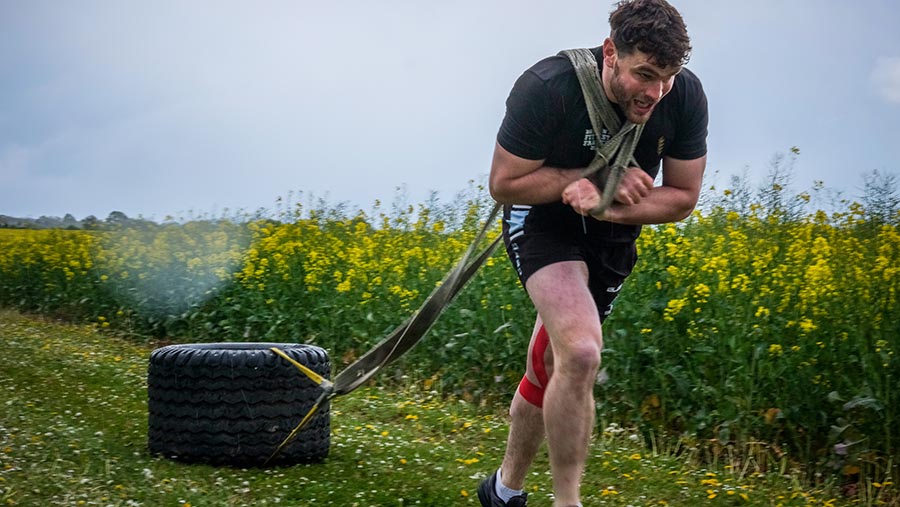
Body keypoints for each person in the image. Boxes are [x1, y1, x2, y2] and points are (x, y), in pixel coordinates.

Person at [477, 1, 708, 506]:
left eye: (667, 77)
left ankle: (502, 490)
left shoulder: (685, 95)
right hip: (542, 220)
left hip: (612, 231)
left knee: (552, 362)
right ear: (610, 53)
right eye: (644, 74)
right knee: (580, 352)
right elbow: (504, 183)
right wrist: (589, 177)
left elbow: (683, 198)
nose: (655, 92)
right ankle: (568, 501)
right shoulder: (546, 87)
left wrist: (604, 204)